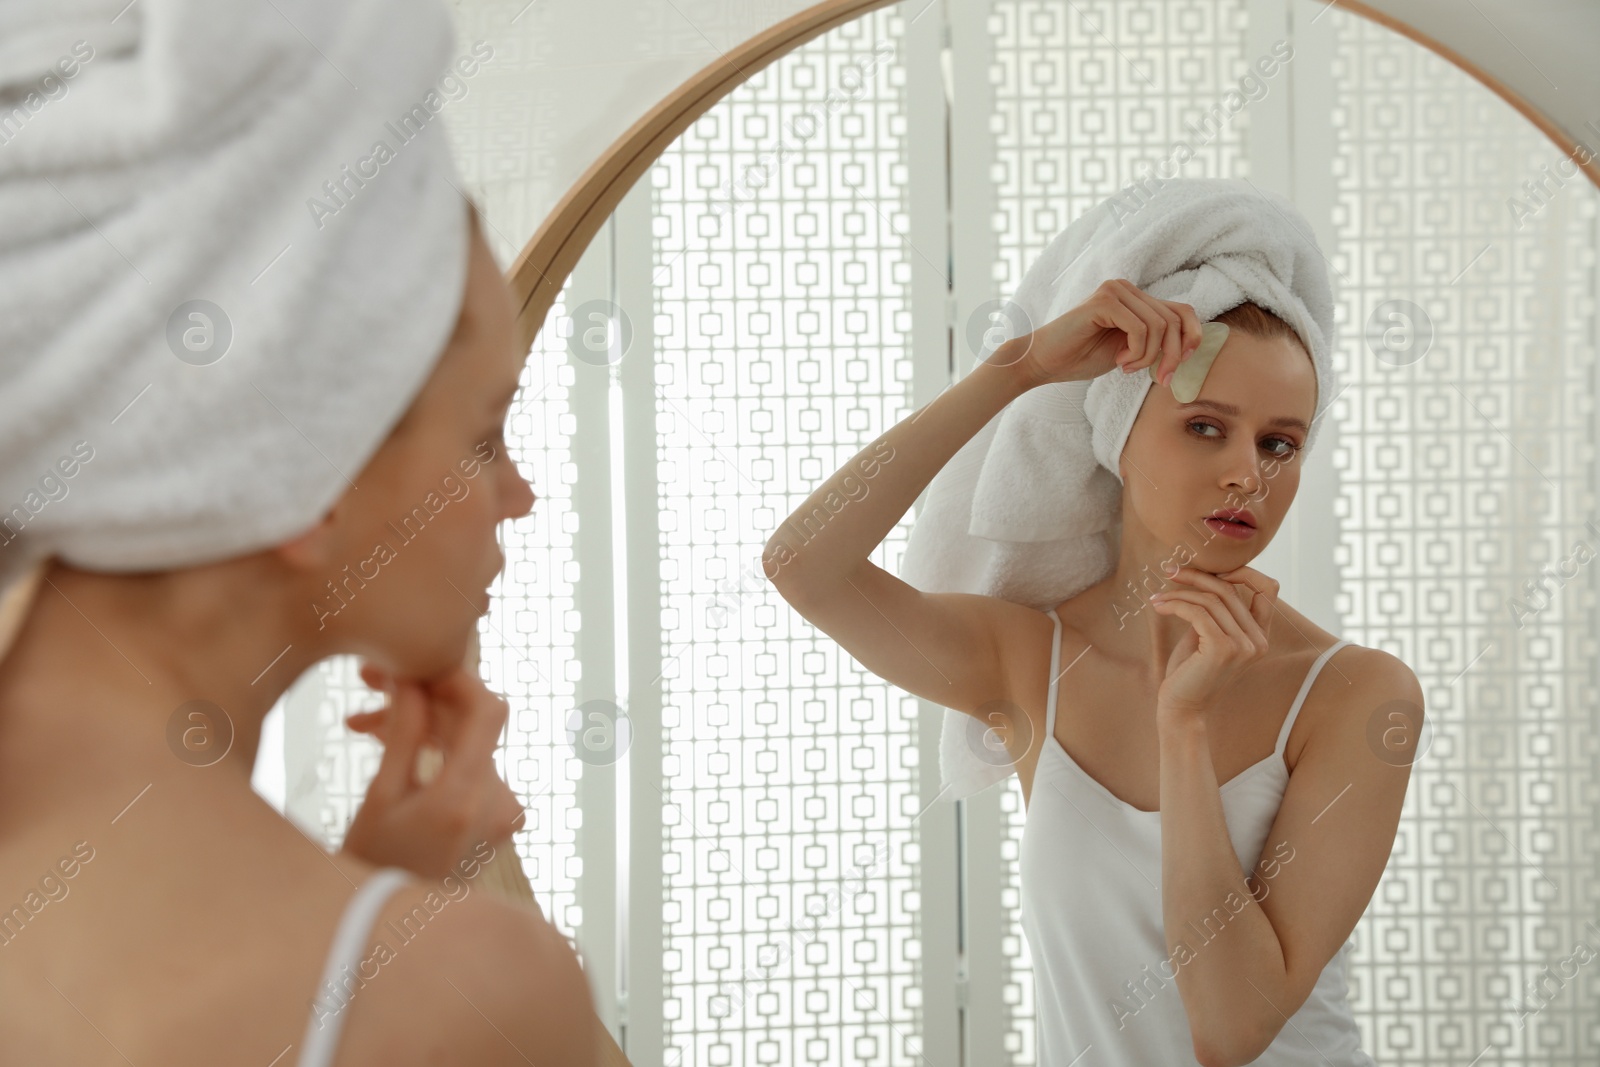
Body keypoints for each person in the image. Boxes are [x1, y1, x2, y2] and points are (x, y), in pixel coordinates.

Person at [765, 278, 1424, 1065]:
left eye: (1279, 443)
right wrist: (1018, 369)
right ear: (1119, 434)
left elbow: (1229, 1028)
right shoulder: (1027, 660)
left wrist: (1184, 727)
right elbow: (803, 566)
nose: (1248, 473)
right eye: (1206, 426)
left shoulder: (1357, 694)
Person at [0, 206, 602, 1066]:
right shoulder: (476, 994)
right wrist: (383, 958)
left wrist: (368, 918)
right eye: (483, 439)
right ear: (304, 473)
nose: (520, 495)